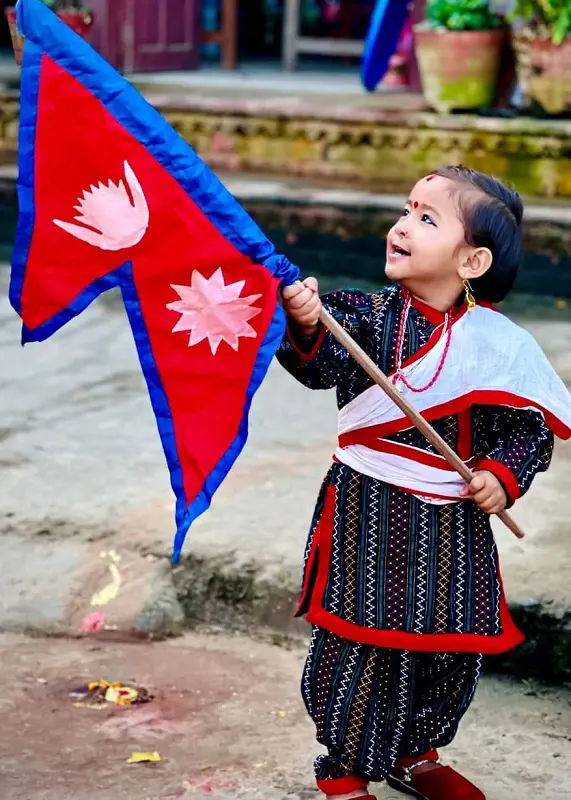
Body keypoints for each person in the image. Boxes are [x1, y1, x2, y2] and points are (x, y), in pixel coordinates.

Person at [277, 166, 571, 800]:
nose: (402, 226)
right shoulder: (360, 316)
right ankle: (345, 768)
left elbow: (527, 432)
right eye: (405, 209)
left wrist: (500, 477)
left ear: (473, 261)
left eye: (427, 218)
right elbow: (320, 366)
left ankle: (418, 752)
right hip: (368, 512)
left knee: (447, 647)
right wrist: (303, 322)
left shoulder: (496, 347)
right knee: (358, 645)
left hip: (452, 526)